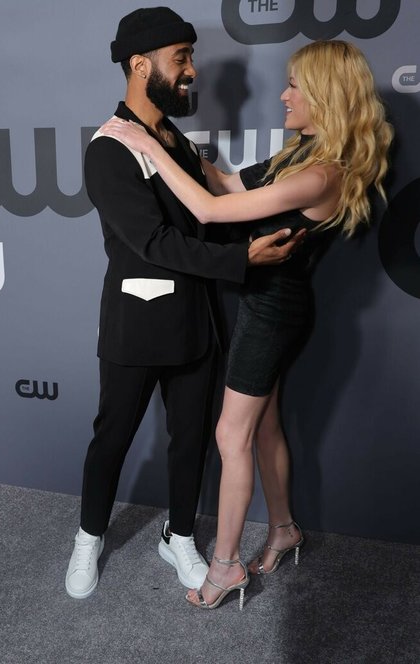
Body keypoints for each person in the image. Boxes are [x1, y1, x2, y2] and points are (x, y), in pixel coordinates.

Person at [100, 39, 394, 609]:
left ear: (326, 96)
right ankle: (283, 529)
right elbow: (226, 184)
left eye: (295, 87)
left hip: (271, 314)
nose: (283, 95)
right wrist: (173, 141)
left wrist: (145, 144)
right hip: (272, 306)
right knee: (264, 427)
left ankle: (226, 565)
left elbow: (209, 210)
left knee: (230, 435)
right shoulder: (301, 155)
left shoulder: (321, 175)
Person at [64, 7, 305, 600]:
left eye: (191, 57)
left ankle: (178, 536)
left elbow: (209, 217)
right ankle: (89, 536)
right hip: (137, 324)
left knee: (191, 439)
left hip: (198, 321)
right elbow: (152, 242)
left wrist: (260, 235)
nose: (192, 70)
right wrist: (242, 259)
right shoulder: (110, 147)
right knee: (112, 437)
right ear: (140, 66)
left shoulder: (174, 139)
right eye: (181, 59)